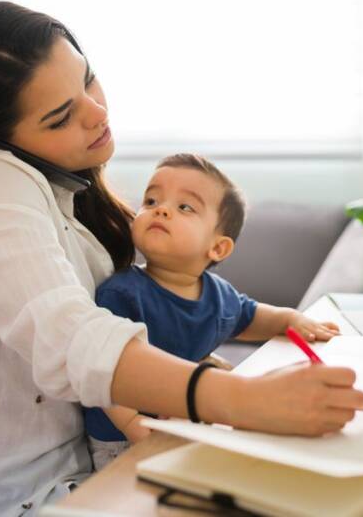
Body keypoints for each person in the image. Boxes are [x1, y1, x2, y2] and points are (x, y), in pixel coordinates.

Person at [0, 0, 363, 516]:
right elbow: (69, 337)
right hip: (23, 501)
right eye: (62, 117)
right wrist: (243, 400)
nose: (97, 113)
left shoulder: (66, 195)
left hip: (102, 471)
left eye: (88, 81)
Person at [84, 153, 342, 469]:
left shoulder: (217, 294)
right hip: (121, 436)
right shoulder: (122, 292)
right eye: (151, 200)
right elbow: (104, 369)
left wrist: (290, 319)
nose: (160, 209)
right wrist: (131, 423)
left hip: (189, 418)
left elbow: (251, 317)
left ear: (218, 248)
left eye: (185, 207)